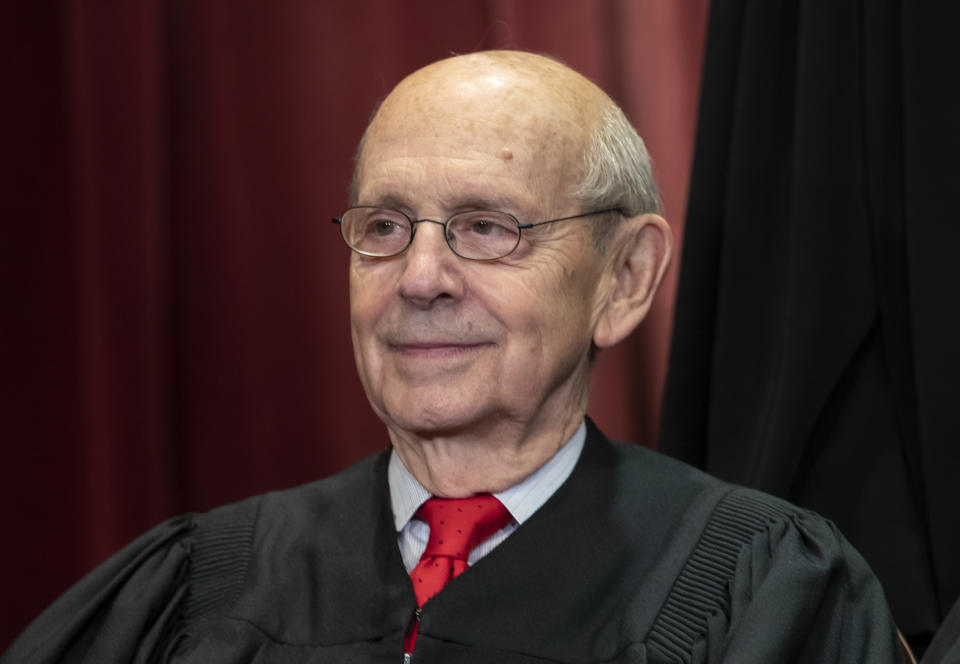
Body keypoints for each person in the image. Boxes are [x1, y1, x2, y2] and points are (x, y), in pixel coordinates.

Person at [2, 50, 909, 663]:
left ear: (624, 278)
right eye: (385, 227)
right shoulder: (197, 590)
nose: (420, 276)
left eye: (487, 226)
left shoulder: (759, 593)